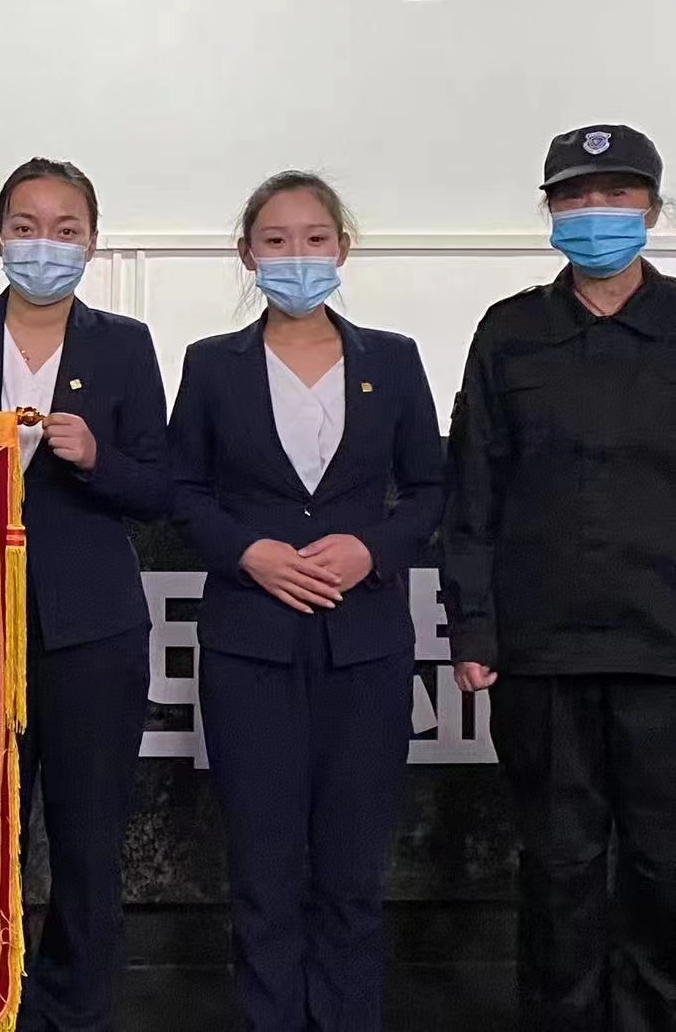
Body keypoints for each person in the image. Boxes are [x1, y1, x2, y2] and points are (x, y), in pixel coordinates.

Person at [167, 172, 442, 1032]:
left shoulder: (392, 359)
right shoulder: (212, 364)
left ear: (342, 249)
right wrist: (246, 552)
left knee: (354, 873)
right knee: (263, 869)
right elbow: (183, 489)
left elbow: (432, 489)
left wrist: (374, 549)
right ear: (248, 254)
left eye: (315, 239)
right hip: (250, 643)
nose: (297, 256)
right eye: (277, 240)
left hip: (366, 645)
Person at [0, 158, 172, 1032]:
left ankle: (77, 1008)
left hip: (91, 626)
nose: (44, 245)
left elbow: (158, 488)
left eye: (65, 229)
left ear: (91, 243)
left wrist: (98, 459)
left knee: (89, 836)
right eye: (26, 227)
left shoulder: (123, 344)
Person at [442, 124, 676, 1031]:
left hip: (665, 651)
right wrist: (473, 627)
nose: (595, 212)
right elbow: (474, 489)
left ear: (653, 208)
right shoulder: (511, 332)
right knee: (557, 867)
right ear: (549, 211)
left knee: (665, 867)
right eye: (575, 195)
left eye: (616, 194)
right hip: (542, 654)